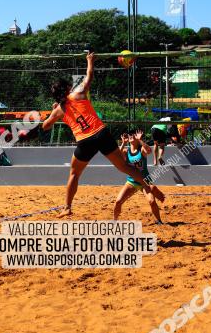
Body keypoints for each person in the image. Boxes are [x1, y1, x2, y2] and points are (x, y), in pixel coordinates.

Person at [20, 52, 147, 216]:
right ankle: (148, 186)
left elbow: (44, 126)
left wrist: (30, 132)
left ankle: (67, 208)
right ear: (67, 89)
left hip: (85, 141)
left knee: (74, 174)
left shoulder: (58, 110)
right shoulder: (78, 94)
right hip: (101, 134)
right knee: (124, 166)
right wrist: (89, 60)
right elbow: (89, 76)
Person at [114, 128, 165, 222]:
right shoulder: (126, 151)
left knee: (152, 201)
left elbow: (149, 151)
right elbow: (117, 156)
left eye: (133, 134)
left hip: (144, 181)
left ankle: (159, 221)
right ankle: (114, 222)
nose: (130, 136)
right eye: (129, 134)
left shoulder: (141, 149)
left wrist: (141, 140)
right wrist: (123, 143)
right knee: (118, 202)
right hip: (132, 181)